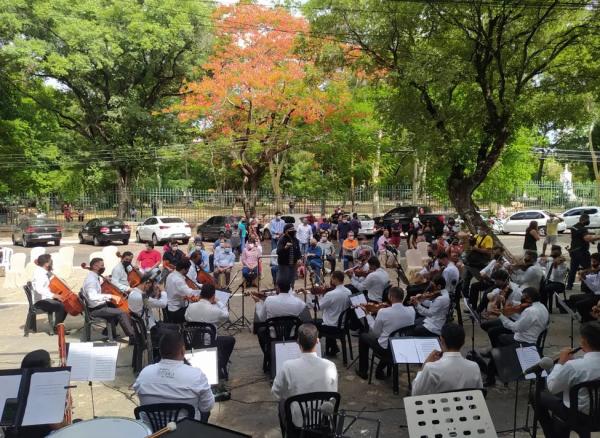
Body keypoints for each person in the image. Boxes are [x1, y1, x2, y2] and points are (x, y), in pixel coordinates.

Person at [537, 322, 600, 438]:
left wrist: (560, 363)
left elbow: (552, 388)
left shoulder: (573, 366)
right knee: (565, 393)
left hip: (579, 416)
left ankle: (552, 435)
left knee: (536, 395)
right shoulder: (575, 365)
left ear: (584, 342)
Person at [133, 332, 214, 422]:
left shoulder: (144, 373)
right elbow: (207, 407)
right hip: (186, 431)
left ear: (160, 351)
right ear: (183, 351)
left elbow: (138, 392)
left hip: (152, 432)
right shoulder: (196, 375)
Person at [272, 323, 338, 429]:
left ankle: (289, 434)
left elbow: (276, 393)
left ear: (298, 342)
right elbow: (333, 396)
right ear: (317, 341)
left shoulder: (287, 366)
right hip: (323, 421)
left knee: (282, 404)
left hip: (298, 423)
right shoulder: (330, 366)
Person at [484, 288, 549, 386]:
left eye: (523, 296)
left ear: (529, 299)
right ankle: (501, 367)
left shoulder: (530, 311)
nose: (521, 298)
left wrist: (501, 316)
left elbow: (515, 328)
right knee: (500, 338)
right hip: (533, 337)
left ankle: (492, 377)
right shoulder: (543, 307)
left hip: (524, 341)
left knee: (497, 348)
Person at [356, 287, 415, 379]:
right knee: (388, 338)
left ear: (391, 297)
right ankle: (379, 370)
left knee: (364, 336)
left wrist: (368, 315)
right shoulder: (412, 311)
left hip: (387, 349)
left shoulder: (383, 312)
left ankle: (363, 371)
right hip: (402, 346)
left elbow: (376, 333)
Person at [252, 278, 309, 371]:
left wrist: (258, 303)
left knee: (260, 331)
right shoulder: (298, 302)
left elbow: (262, 318)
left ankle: (268, 355)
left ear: (277, 287)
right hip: (292, 334)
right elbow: (305, 313)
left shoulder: (269, 300)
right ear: (290, 287)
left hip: (273, 335)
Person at [411, 323, 483, 396]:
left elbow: (416, 393)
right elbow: (479, 394)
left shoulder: (430, 368)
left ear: (441, 340)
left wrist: (423, 368)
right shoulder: (474, 367)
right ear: (463, 342)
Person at [185, 284, 236, 380]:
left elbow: (186, 317)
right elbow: (226, 316)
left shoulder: (191, 307)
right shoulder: (214, 310)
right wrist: (219, 302)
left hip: (192, 342)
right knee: (230, 340)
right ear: (213, 296)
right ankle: (220, 366)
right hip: (209, 343)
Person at [82, 257, 136, 341]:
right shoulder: (91, 280)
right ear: (95, 266)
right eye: (102, 265)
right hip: (96, 310)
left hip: (99, 306)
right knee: (121, 312)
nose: (103, 267)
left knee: (116, 306)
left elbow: (95, 287)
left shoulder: (93, 276)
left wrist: (104, 281)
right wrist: (111, 296)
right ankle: (133, 337)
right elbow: (92, 296)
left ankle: (108, 332)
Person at [316, 271, 351, 356]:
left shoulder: (331, 294)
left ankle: (313, 349)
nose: (331, 280)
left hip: (332, 326)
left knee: (313, 322)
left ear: (335, 279)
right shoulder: (349, 291)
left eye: (332, 278)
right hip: (343, 324)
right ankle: (333, 348)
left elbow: (318, 307)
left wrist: (320, 295)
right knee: (327, 319)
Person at [31, 254, 67, 334]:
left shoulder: (43, 271)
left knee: (65, 302)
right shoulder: (40, 274)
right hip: (40, 302)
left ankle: (57, 326)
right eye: (51, 261)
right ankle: (57, 328)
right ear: (46, 264)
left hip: (45, 298)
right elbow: (39, 288)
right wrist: (53, 295)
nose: (52, 262)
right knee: (61, 305)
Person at [567, 214, 600, 290]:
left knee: (573, 269)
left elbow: (578, 238)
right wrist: (596, 237)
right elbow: (587, 238)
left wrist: (589, 240)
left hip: (573, 251)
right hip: (582, 252)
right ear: (584, 219)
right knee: (588, 268)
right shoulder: (583, 229)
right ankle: (584, 287)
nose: (588, 221)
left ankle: (569, 286)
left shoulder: (574, 227)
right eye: (588, 220)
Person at [461, 226, 494, 300]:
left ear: (485, 230)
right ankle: (466, 297)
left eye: (482, 229)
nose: (480, 231)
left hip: (481, 262)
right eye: (479, 229)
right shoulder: (476, 236)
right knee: (466, 279)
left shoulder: (488, 238)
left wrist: (477, 249)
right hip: (471, 262)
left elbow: (488, 251)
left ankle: (486, 296)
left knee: (482, 280)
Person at [165, 259, 200, 323]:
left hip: (171, 305)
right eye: (188, 269)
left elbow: (178, 291)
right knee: (198, 312)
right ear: (183, 269)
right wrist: (202, 292)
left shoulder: (170, 275)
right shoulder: (178, 280)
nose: (188, 271)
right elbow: (190, 293)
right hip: (177, 310)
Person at [538, 245, 568, 311]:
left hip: (558, 283)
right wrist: (543, 259)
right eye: (553, 253)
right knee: (539, 287)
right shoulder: (550, 260)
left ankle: (544, 307)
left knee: (545, 289)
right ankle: (542, 306)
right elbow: (538, 262)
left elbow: (556, 276)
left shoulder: (563, 264)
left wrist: (555, 266)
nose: (554, 256)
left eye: (556, 254)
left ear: (560, 253)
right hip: (548, 281)